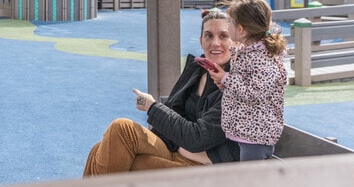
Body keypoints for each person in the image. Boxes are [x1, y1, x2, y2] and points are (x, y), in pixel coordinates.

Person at [83, 9, 239, 176]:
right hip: (174, 148)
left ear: (235, 42)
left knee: (122, 137)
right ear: (201, 41)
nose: (215, 43)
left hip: (204, 168)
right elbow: (174, 109)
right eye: (208, 36)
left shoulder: (236, 83)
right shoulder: (197, 68)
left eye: (223, 36)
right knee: (101, 148)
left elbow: (197, 138)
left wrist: (152, 106)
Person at [209, 0, 288, 161]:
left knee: (251, 179)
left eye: (229, 21)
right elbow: (245, 87)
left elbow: (253, 94)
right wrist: (224, 82)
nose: (227, 25)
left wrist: (227, 79)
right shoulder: (249, 53)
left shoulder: (262, 58)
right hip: (248, 130)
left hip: (256, 134)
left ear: (241, 29)